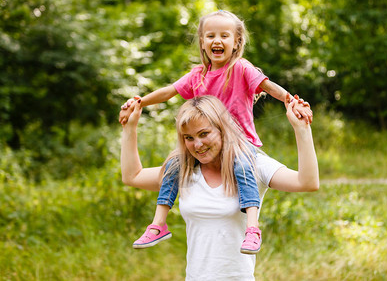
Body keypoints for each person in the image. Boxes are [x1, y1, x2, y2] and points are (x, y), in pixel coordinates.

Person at [119, 10, 313, 253]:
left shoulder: (240, 68)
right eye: (210, 35)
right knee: (173, 165)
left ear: (236, 42)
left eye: (224, 35)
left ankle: (252, 228)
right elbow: (169, 91)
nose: (217, 40)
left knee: (243, 169)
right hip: (208, 150)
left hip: (241, 145)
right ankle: (158, 224)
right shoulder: (196, 76)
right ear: (202, 42)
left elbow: (267, 86)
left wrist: (290, 100)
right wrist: (140, 102)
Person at [121, 95, 319, 280]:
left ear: (222, 129)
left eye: (204, 134)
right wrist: (130, 128)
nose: (197, 145)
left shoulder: (251, 165)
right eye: (189, 138)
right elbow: (133, 176)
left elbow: (307, 182)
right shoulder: (184, 171)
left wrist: (302, 129)